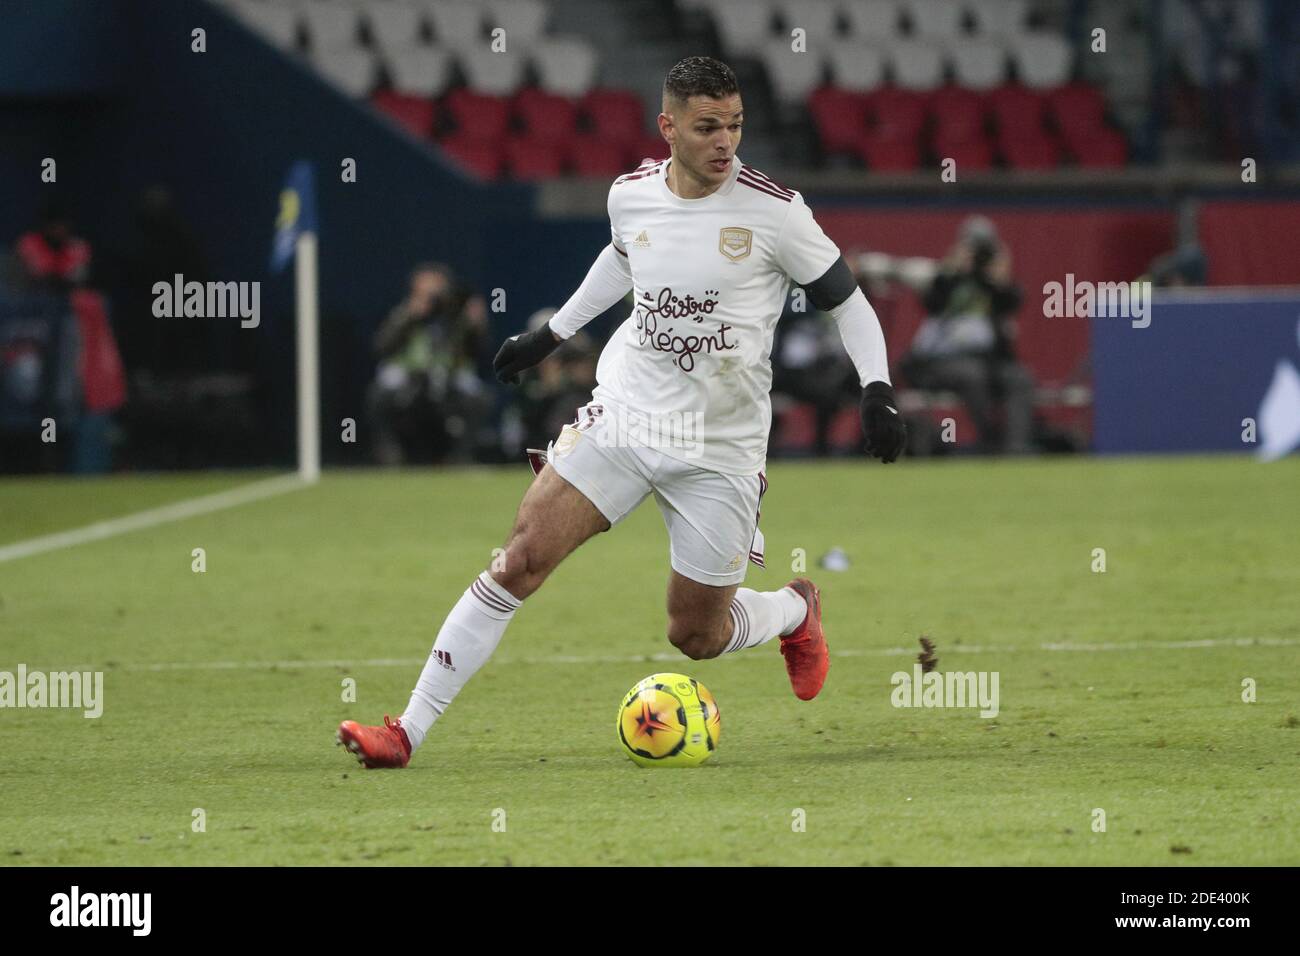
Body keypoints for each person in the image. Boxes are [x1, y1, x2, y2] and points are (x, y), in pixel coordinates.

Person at [338, 57, 906, 768]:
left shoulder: (776, 212)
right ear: (668, 127)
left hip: (718, 446)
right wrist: (550, 336)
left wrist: (876, 387)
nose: (725, 142)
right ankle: (406, 732)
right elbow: (620, 259)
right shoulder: (631, 196)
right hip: (626, 416)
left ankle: (795, 609)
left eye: (734, 125)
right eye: (707, 128)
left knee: (694, 635)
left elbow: (847, 300)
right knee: (519, 559)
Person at [899, 216, 1035, 454]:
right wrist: (953, 271)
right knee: (972, 375)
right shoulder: (947, 279)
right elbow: (931, 303)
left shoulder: (992, 283)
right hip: (938, 362)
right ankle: (991, 443)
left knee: (1020, 378)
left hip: (986, 360)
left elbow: (1013, 301)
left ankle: (1016, 449)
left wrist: (997, 279)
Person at [366, 262, 492, 464]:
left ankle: (461, 457)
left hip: (450, 374)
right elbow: (382, 348)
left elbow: (479, 353)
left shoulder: (457, 316)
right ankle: (389, 453)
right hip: (408, 373)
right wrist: (409, 317)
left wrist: (475, 326)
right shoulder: (404, 313)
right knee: (379, 394)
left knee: (479, 398)